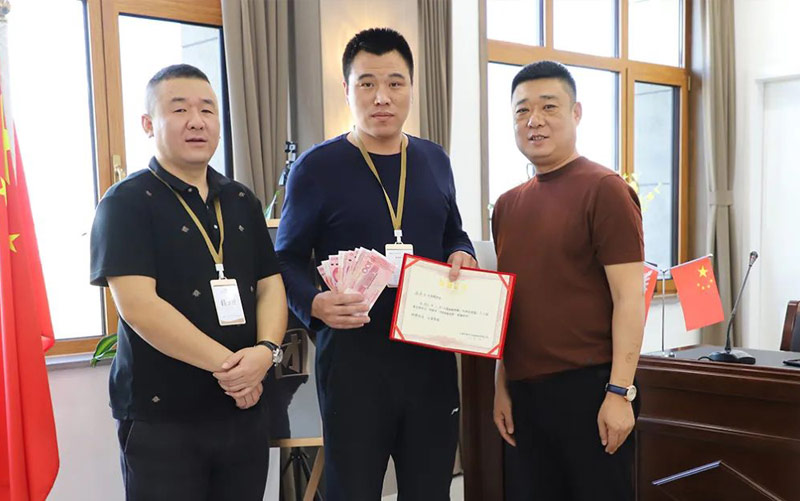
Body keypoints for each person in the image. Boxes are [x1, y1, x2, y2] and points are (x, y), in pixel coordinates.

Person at [275, 28, 475, 501]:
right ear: (347, 89)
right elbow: (285, 258)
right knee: (353, 490)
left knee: (431, 490)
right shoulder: (316, 168)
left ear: (411, 88)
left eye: (394, 82)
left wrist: (462, 251)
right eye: (366, 83)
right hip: (354, 364)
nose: (381, 97)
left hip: (430, 358)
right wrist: (314, 305)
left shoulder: (434, 160)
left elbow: (454, 231)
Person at [90, 63, 287, 501]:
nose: (197, 121)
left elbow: (270, 284)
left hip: (243, 410)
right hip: (164, 418)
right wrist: (236, 370)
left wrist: (265, 352)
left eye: (207, 110)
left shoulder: (241, 199)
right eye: (179, 109)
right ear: (148, 123)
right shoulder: (125, 203)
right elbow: (140, 308)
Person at [491, 60, 645, 501]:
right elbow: (510, 306)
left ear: (576, 113)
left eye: (548, 106)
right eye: (522, 110)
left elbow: (629, 299)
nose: (534, 120)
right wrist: (501, 386)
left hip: (591, 389)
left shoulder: (605, 189)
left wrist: (620, 392)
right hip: (525, 394)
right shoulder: (507, 206)